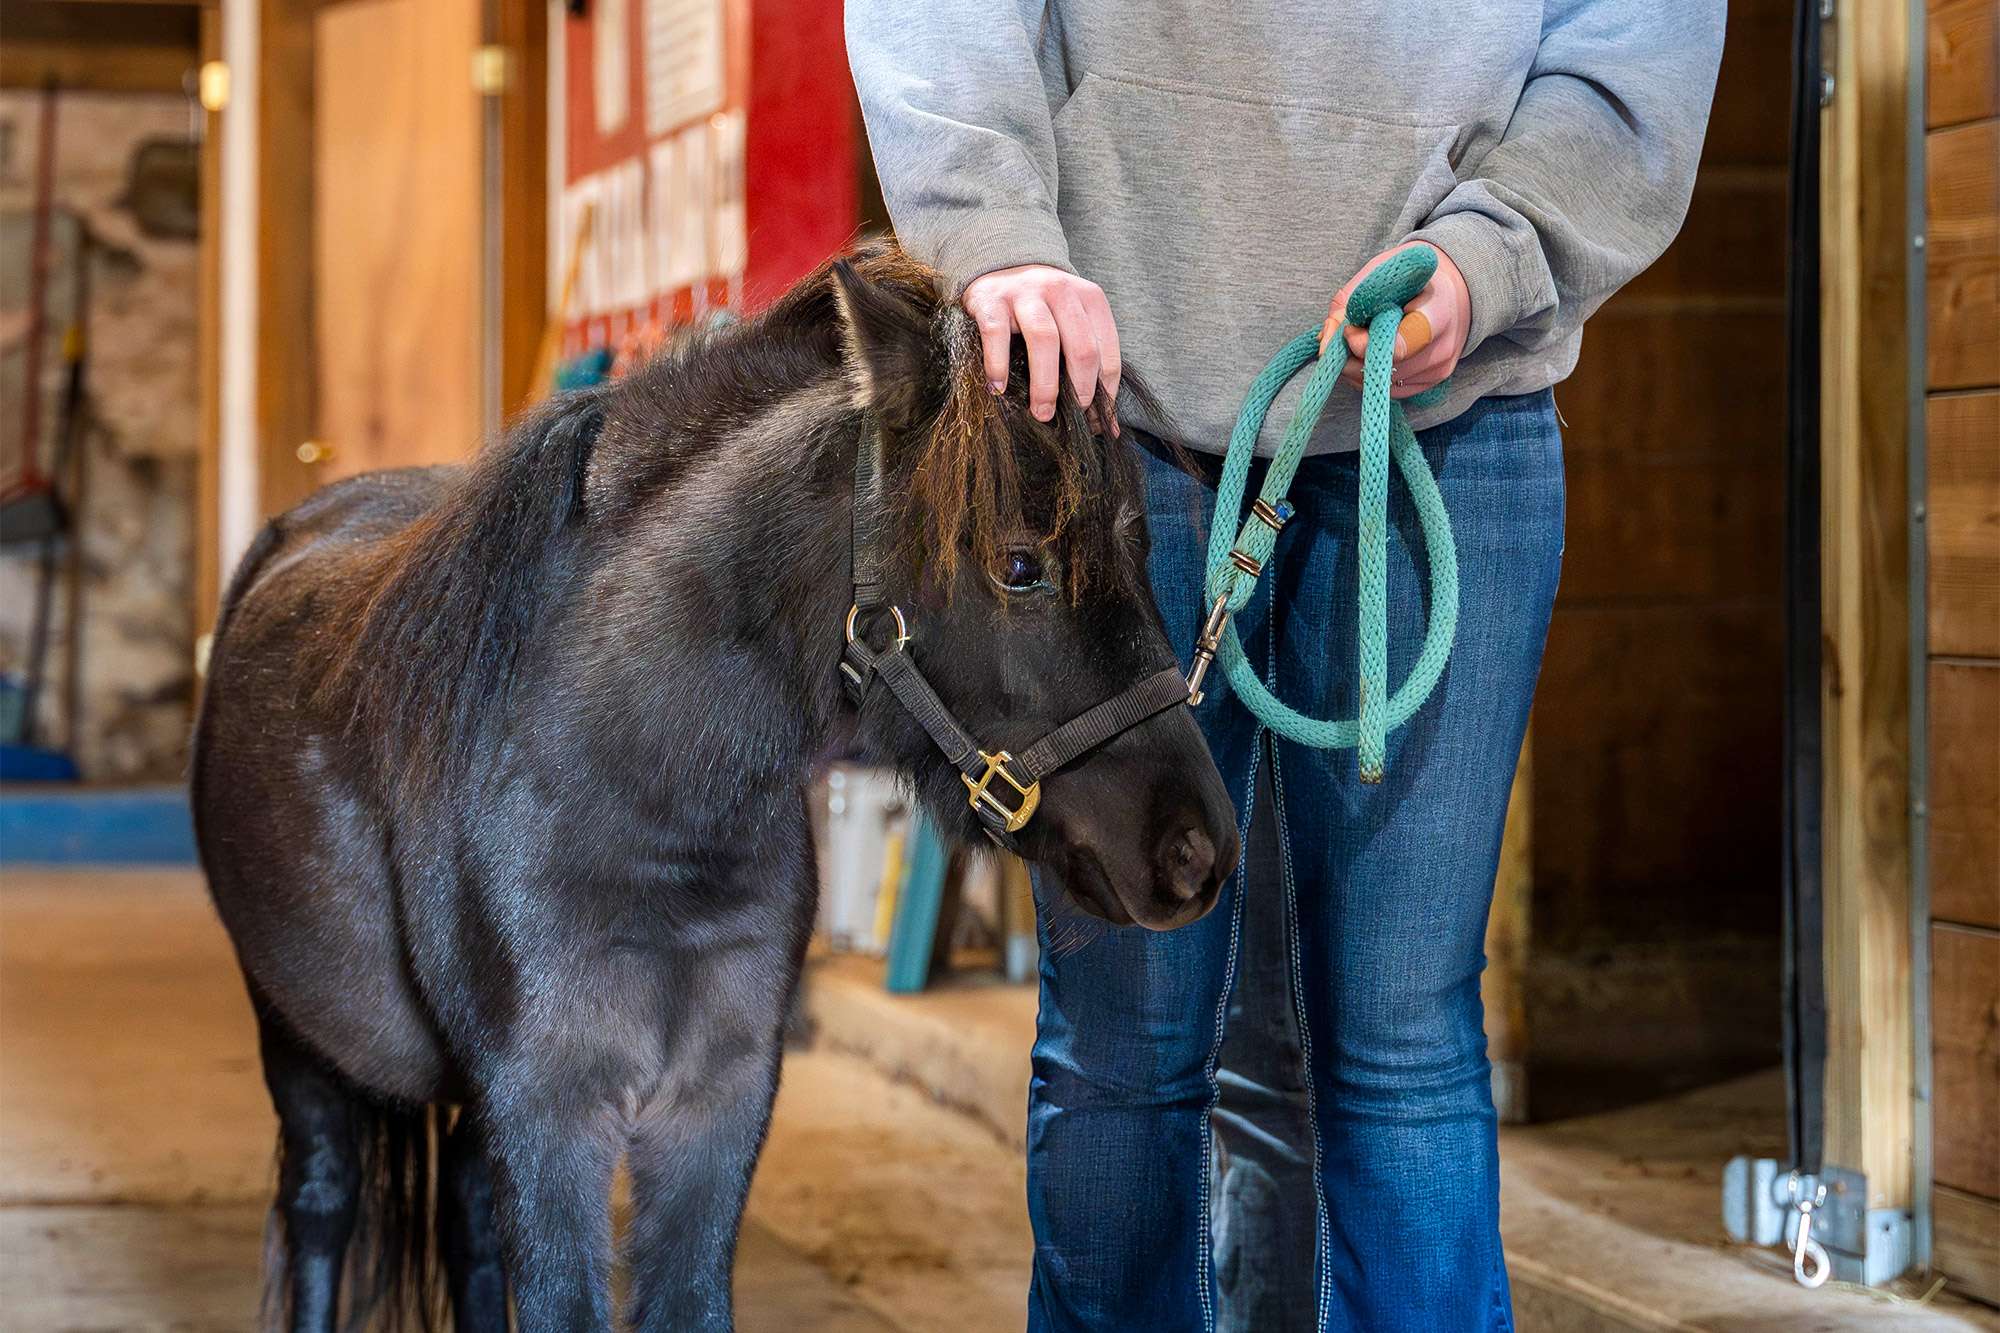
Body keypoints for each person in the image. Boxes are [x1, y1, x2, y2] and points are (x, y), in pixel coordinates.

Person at [846, 3, 1725, 1329]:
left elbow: (1634, 37)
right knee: (1126, 1046)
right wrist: (988, 226)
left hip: (1447, 404)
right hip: (1117, 405)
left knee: (1402, 1034)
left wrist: (1494, 253)